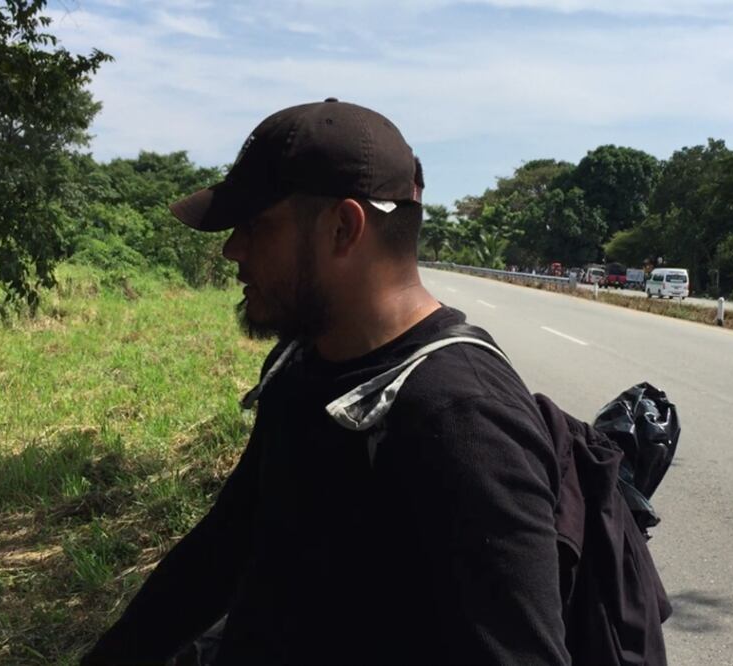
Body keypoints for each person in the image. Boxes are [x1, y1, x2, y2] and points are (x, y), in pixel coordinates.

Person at [81, 99, 570, 666]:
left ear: (343, 227)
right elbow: (226, 547)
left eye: (256, 225)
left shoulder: (463, 420)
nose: (231, 249)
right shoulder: (300, 362)